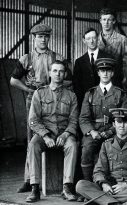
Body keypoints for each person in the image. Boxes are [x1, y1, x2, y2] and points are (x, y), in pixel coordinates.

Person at [10, 24, 66, 193]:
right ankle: (29, 180)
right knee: (32, 139)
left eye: (46, 36)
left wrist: (53, 86)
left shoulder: (57, 57)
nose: (43, 39)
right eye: (40, 37)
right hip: (33, 100)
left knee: (55, 134)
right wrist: (29, 89)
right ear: (34, 38)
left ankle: (58, 180)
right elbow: (13, 80)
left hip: (54, 99)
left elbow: (69, 80)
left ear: (49, 38)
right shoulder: (26, 58)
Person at [25, 60, 78, 202]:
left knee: (72, 145)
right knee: (33, 145)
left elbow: (74, 120)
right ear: (49, 73)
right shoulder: (39, 93)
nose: (58, 74)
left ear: (65, 74)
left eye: (61, 71)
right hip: (44, 133)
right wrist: (46, 136)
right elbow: (33, 120)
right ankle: (34, 189)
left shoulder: (71, 96)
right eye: (54, 71)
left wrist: (66, 134)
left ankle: (67, 187)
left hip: (64, 134)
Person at [76, 108, 127, 205]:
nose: (122, 125)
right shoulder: (106, 145)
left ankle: (104, 200)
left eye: (125, 122)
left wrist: (126, 184)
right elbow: (98, 171)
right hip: (110, 187)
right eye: (119, 122)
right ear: (114, 125)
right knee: (80, 185)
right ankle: (116, 202)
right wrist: (104, 184)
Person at [79, 58, 127, 182]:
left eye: (108, 71)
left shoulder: (120, 94)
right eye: (102, 70)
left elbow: (123, 118)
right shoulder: (90, 94)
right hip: (94, 131)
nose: (105, 74)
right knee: (87, 149)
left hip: (113, 131)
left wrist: (111, 131)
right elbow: (83, 118)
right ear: (98, 73)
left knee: (117, 150)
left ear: (112, 73)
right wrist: (92, 132)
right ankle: (88, 184)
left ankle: (112, 183)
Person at [73, 28, 113, 107]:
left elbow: (114, 80)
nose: (91, 41)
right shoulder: (79, 62)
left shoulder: (108, 58)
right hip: (86, 103)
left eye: (94, 38)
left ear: (98, 39)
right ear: (84, 41)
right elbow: (76, 86)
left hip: (105, 101)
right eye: (88, 38)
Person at [98, 8, 127, 86]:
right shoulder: (95, 40)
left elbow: (126, 63)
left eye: (109, 20)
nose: (106, 23)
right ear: (100, 21)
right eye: (104, 19)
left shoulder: (122, 39)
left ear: (114, 21)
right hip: (99, 80)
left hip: (116, 80)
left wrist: (125, 81)